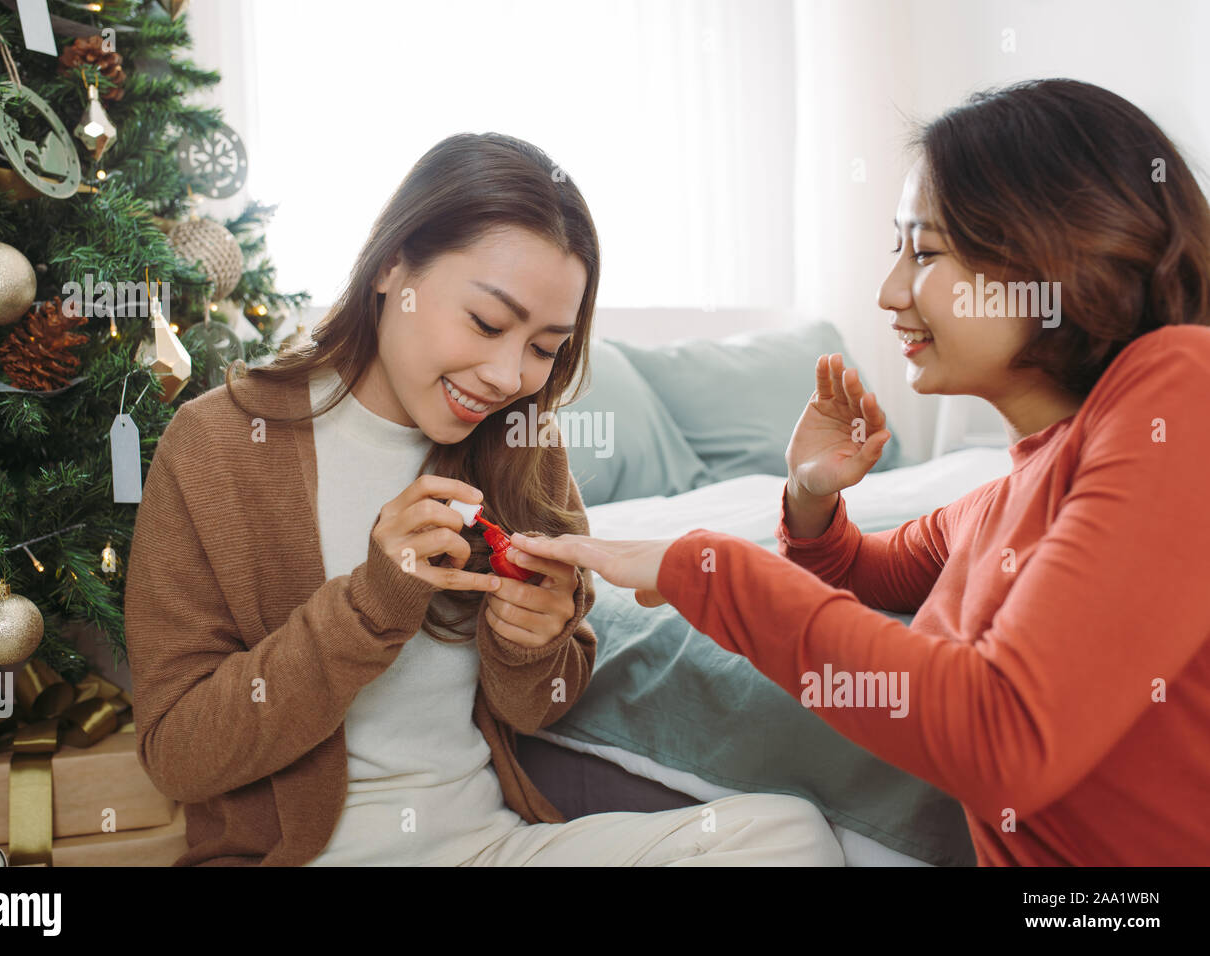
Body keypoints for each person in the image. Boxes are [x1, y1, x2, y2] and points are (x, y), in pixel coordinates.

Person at [508, 79, 1210, 866]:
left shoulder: (1183, 382)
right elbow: (858, 578)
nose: (889, 292)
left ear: (1056, 245)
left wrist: (706, 567)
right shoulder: (1003, 498)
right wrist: (810, 493)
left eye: (926, 250)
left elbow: (1004, 735)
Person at [124, 132, 844, 866]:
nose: (508, 376)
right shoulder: (218, 442)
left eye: (544, 348)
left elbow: (542, 703)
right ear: (392, 268)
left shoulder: (522, 439)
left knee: (788, 837)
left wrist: (532, 645)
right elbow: (179, 754)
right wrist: (368, 607)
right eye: (488, 323)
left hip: (487, 847)